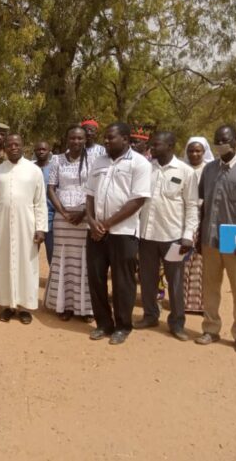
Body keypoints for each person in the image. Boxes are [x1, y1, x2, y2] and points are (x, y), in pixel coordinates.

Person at [195, 125, 236, 354]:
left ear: (235, 140)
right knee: (210, 288)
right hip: (210, 239)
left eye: (224, 140)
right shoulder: (210, 169)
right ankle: (211, 329)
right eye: (216, 141)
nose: (220, 144)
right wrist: (199, 236)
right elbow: (203, 204)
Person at [85, 122, 152, 345]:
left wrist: (106, 224)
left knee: (123, 282)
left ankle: (123, 326)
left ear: (125, 139)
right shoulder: (99, 161)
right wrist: (93, 222)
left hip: (123, 232)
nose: (105, 141)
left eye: (110, 137)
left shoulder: (140, 163)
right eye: (105, 137)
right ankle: (103, 323)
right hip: (96, 232)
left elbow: (138, 200)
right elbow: (90, 194)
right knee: (96, 278)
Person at [134, 132, 199, 341]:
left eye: (157, 144)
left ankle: (177, 323)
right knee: (147, 279)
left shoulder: (186, 172)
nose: (152, 147)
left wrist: (188, 235)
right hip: (147, 235)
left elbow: (191, 206)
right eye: (152, 144)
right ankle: (150, 315)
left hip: (173, 237)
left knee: (175, 281)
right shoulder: (146, 168)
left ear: (170, 145)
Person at [0, 134, 47, 324]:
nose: (13, 148)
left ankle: (25, 307)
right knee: (3, 263)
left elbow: (40, 201)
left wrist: (41, 228)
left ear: (23, 146)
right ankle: (7, 305)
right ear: (4, 147)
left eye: (16, 144)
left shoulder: (34, 171)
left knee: (26, 265)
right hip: (1, 226)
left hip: (26, 225)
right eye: (9, 145)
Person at [44, 126, 95, 321]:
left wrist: (83, 212)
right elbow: (51, 189)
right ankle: (64, 305)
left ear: (85, 140)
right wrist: (63, 212)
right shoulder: (57, 160)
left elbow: (95, 189)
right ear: (67, 139)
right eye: (72, 138)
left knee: (84, 261)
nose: (76, 142)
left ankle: (86, 308)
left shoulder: (93, 160)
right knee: (63, 259)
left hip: (84, 216)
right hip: (63, 218)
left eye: (79, 138)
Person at [182, 136, 214, 313]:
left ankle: (201, 304)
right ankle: (182, 302)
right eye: (191, 150)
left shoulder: (210, 170)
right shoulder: (182, 169)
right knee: (184, 262)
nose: (194, 154)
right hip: (183, 221)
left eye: (198, 150)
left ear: (204, 152)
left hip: (204, 221)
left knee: (202, 264)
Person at [34, 140, 56, 266]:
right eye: (38, 149)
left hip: (51, 218)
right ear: (34, 151)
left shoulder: (54, 168)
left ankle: (53, 283)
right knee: (30, 255)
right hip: (33, 219)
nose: (41, 152)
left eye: (44, 149)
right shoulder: (29, 168)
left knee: (52, 254)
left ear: (49, 151)